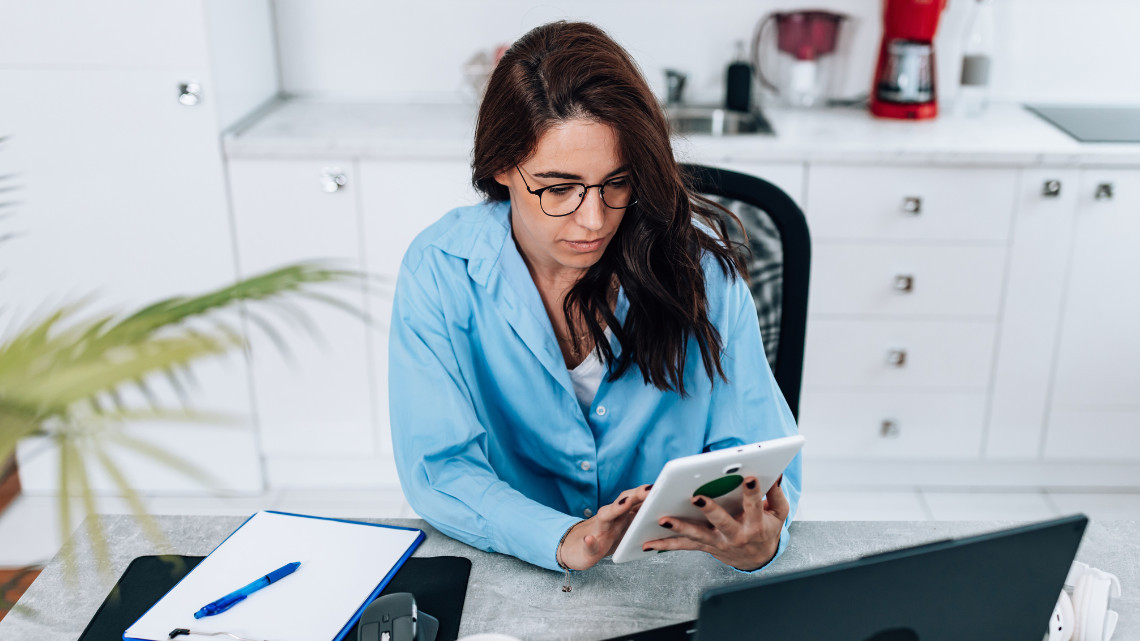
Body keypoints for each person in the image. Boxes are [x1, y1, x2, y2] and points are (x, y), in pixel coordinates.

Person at [388, 21, 801, 574]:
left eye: (618, 183)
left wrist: (761, 544)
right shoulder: (440, 271)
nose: (594, 219)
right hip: (514, 571)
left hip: (668, 578)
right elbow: (440, 468)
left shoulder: (704, 276)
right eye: (559, 188)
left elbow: (762, 464)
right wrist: (564, 538)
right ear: (501, 167)